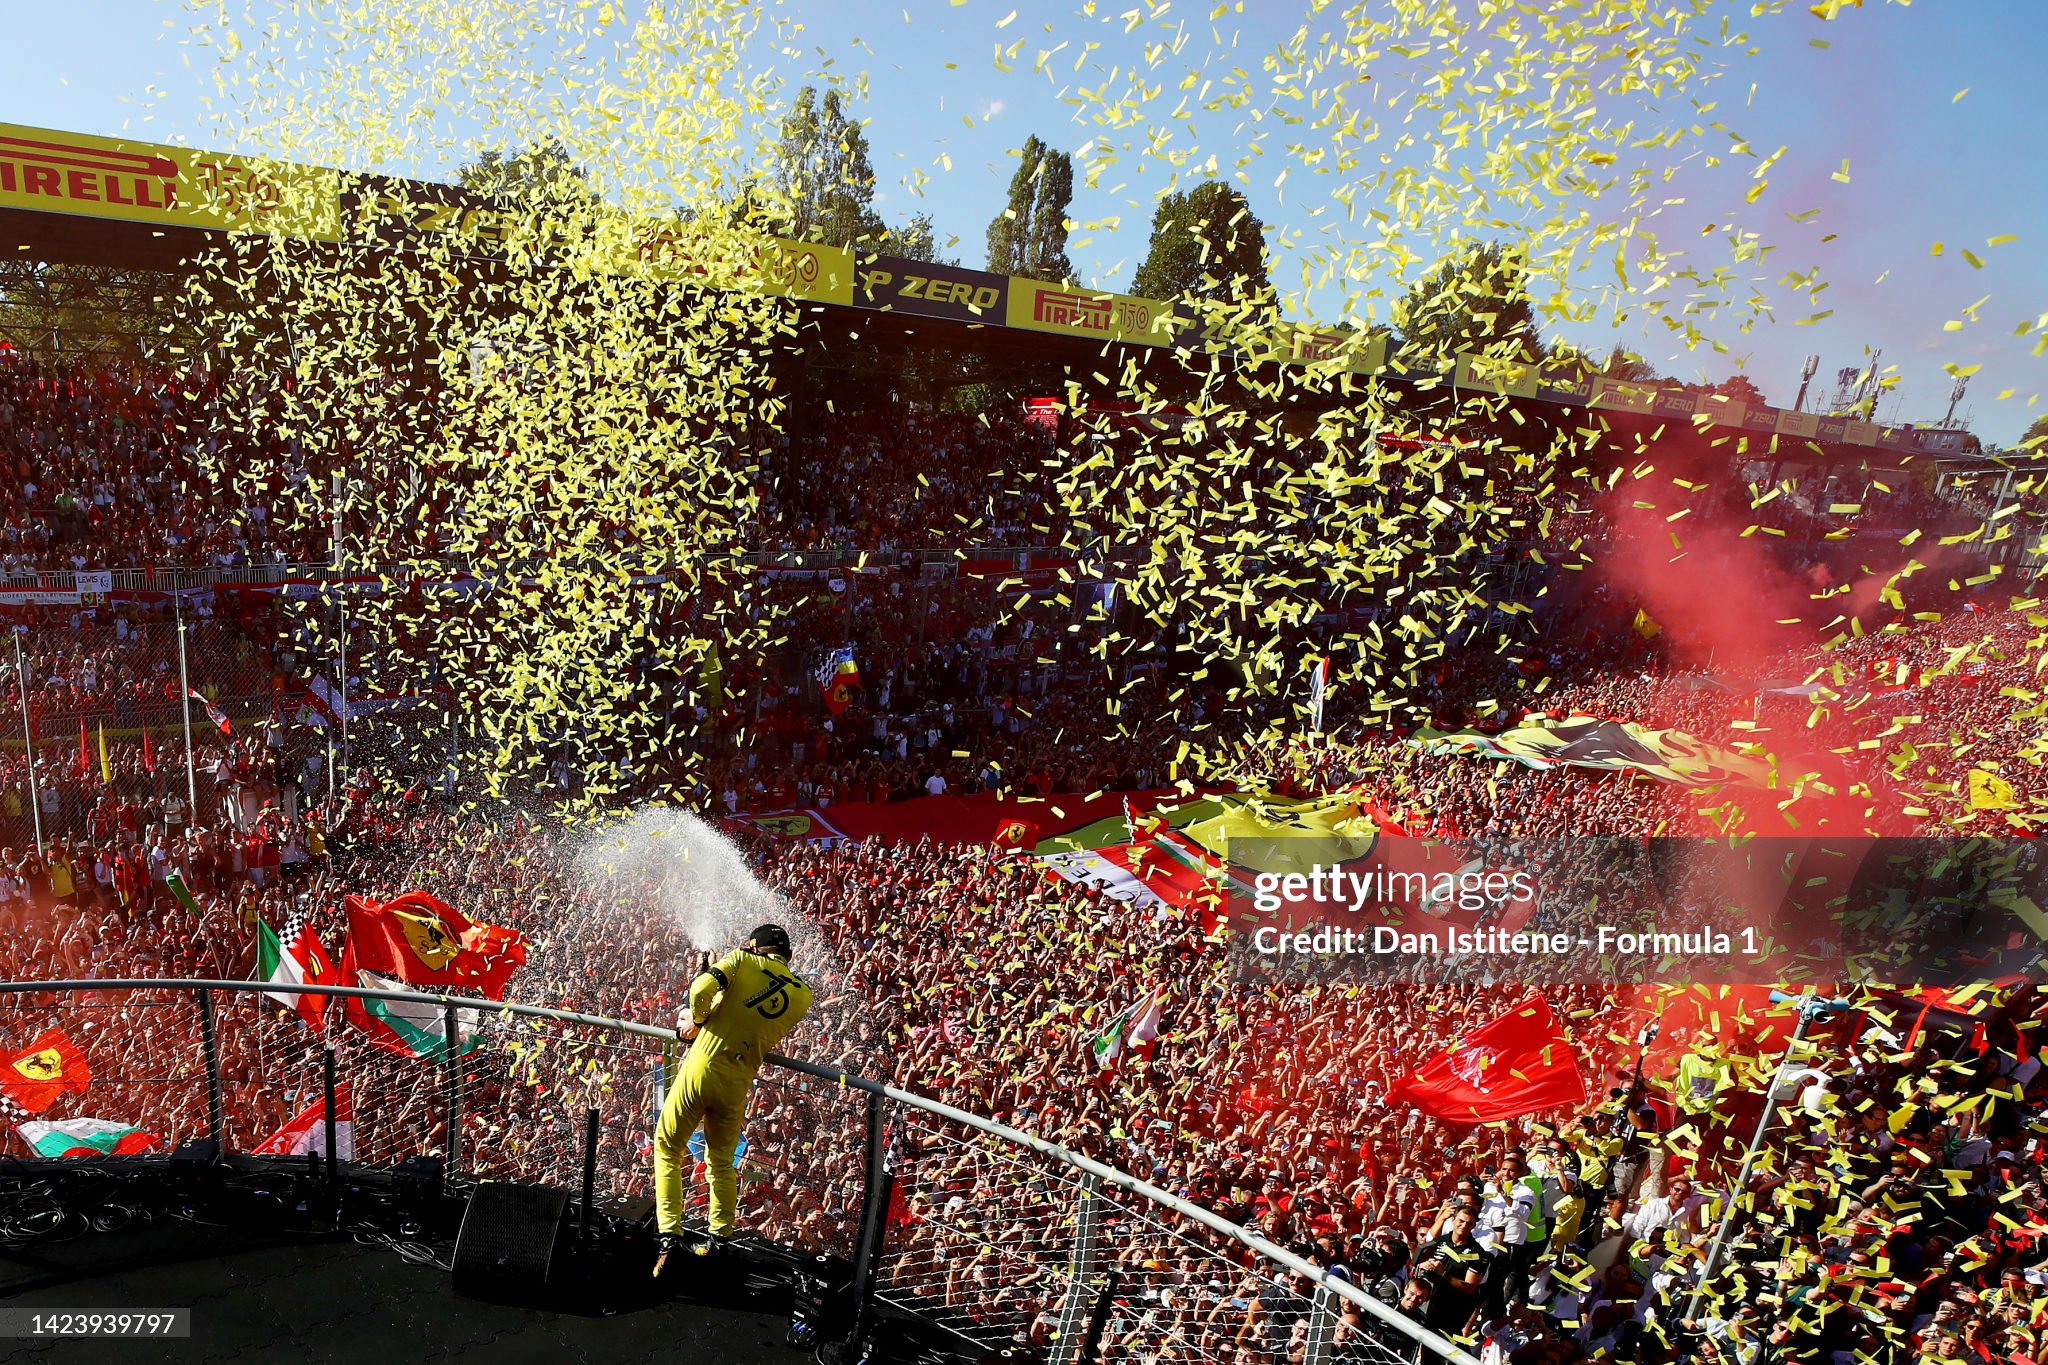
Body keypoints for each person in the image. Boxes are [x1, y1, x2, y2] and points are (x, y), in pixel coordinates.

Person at [652, 922, 815, 1274]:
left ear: (755, 946)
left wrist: (698, 1021)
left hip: (702, 1069)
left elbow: (700, 988)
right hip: (737, 1082)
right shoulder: (803, 994)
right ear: (788, 955)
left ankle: (669, 1235)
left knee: (667, 1146)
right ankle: (720, 1239)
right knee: (721, 1161)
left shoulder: (742, 959)